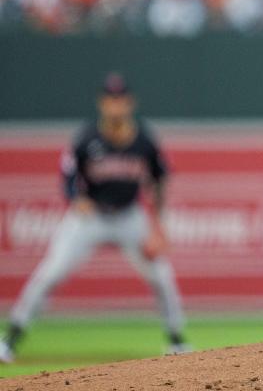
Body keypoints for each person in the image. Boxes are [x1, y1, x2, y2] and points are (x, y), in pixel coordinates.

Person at [0, 73, 189, 364]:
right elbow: (67, 174)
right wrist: (77, 199)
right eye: (110, 99)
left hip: (129, 216)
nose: (116, 105)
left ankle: (177, 341)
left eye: (120, 98)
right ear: (102, 103)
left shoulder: (144, 140)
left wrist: (159, 226)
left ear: (130, 102)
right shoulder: (87, 137)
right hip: (90, 219)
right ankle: (10, 340)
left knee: (162, 278)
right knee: (50, 273)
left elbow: (160, 180)